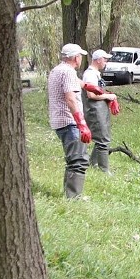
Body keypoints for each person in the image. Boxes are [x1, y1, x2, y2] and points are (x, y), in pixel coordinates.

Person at [47, 43, 92, 198]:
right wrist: (82, 124)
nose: (81, 59)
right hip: (69, 122)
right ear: (75, 57)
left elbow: (80, 84)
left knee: (72, 158)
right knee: (78, 159)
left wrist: (94, 88)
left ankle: (69, 193)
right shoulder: (67, 72)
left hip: (59, 122)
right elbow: (70, 99)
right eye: (80, 56)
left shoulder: (57, 70)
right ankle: (74, 197)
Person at [81, 49, 119, 173]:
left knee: (103, 137)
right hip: (94, 110)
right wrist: (108, 96)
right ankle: (104, 170)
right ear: (98, 60)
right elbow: (91, 95)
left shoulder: (96, 73)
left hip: (101, 110)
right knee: (103, 139)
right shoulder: (90, 74)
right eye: (105, 59)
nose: (106, 62)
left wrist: (108, 95)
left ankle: (93, 163)